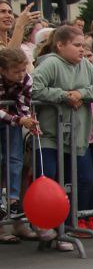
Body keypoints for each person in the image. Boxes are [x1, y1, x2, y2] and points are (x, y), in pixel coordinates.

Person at [31, 24, 93, 237]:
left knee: (83, 179)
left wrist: (81, 93)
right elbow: (34, 89)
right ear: (60, 45)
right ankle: (44, 224)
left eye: (83, 45)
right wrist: (64, 96)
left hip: (76, 136)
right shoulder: (50, 63)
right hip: (49, 135)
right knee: (48, 178)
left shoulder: (85, 65)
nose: (82, 50)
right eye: (77, 45)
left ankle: (69, 224)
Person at [0, 46, 38, 240]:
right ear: (3, 70)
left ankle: (13, 200)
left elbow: (23, 103)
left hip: (12, 121)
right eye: (16, 71)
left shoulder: (26, 79)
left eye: (23, 70)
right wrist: (19, 119)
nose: (21, 74)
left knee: (15, 159)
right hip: (8, 118)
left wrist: (27, 120)